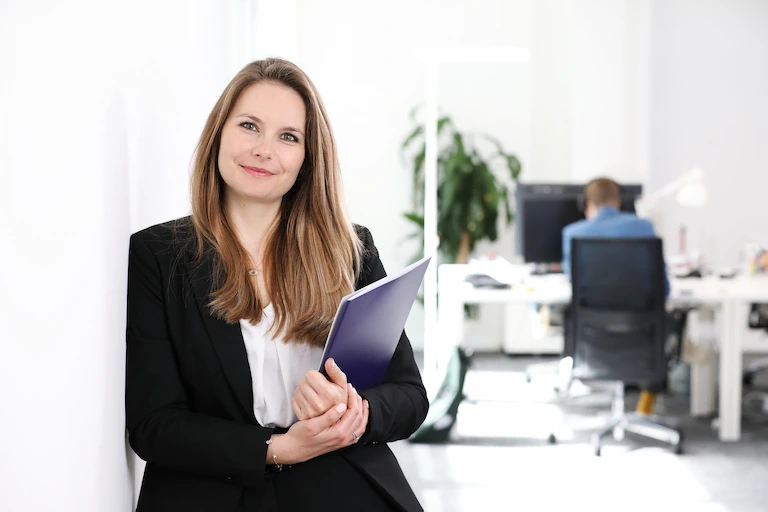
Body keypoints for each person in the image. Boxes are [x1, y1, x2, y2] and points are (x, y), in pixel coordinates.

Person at [125, 58, 428, 512]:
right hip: (215, 487)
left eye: (288, 136)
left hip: (338, 473)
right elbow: (154, 424)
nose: (264, 150)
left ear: (307, 158)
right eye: (249, 126)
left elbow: (408, 395)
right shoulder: (158, 255)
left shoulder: (350, 249)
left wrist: (351, 411)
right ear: (219, 134)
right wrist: (279, 448)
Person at [561, 177, 670, 414]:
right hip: (643, 334)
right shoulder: (645, 228)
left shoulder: (573, 233)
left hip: (593, 336)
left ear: (587, 204)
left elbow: (574, 284)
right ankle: (644, 405)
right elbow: (665, 289)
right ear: (618, 202)